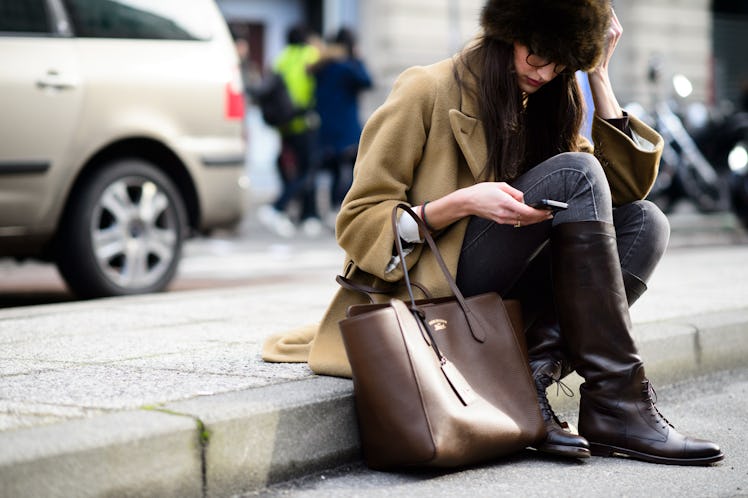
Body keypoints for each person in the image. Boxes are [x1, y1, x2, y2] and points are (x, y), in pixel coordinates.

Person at [263, 0, 724, 466]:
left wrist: (598, 75)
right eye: (538, 55)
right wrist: (459, 203)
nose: (545, 73)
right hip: (434, 287)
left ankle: (536, 379)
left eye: (562, 63)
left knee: (648, 222)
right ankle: (617, 402)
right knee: (577, 172)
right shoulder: (427, 88)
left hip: (502, 294)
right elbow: (358, 218)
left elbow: (621, 193)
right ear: (509, 31)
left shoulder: (550, 101)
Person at [257, 24, 324, 238]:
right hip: (305, 122)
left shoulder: (281, 58)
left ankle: (308, 215)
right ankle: (279, 207)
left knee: (294, 169)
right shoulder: (311, 55)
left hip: (285, 125)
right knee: (308, 170)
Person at [312, 27, 373, 225]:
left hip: (326, 126)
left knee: (336, 170)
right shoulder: (347, 67)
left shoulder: (322, 66)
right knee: (353, 169)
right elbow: (367, 81)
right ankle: (343, 210)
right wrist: (359, 59)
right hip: (346, 127)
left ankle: (332, 211)